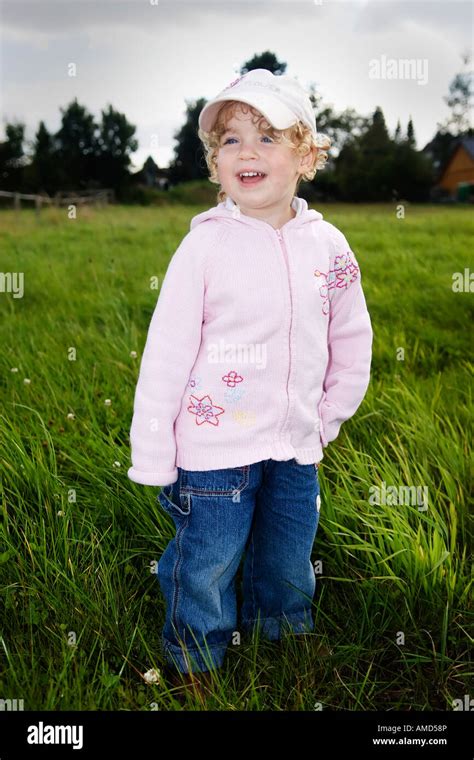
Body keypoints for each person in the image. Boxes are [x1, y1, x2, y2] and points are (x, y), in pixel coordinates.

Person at [127, 69, 373, 679]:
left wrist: (328, 415)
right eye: (230, 140)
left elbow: (351, 336)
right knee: (206, 559)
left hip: (295, 442)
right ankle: (195, 661)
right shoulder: (205, 247)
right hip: (213, 449)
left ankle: (284, 637)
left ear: (306, 154)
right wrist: (154, 448)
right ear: (215, 164)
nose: (247, 152)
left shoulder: (329, 246)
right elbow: (166, 352)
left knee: (289, 554)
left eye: (267, 137)